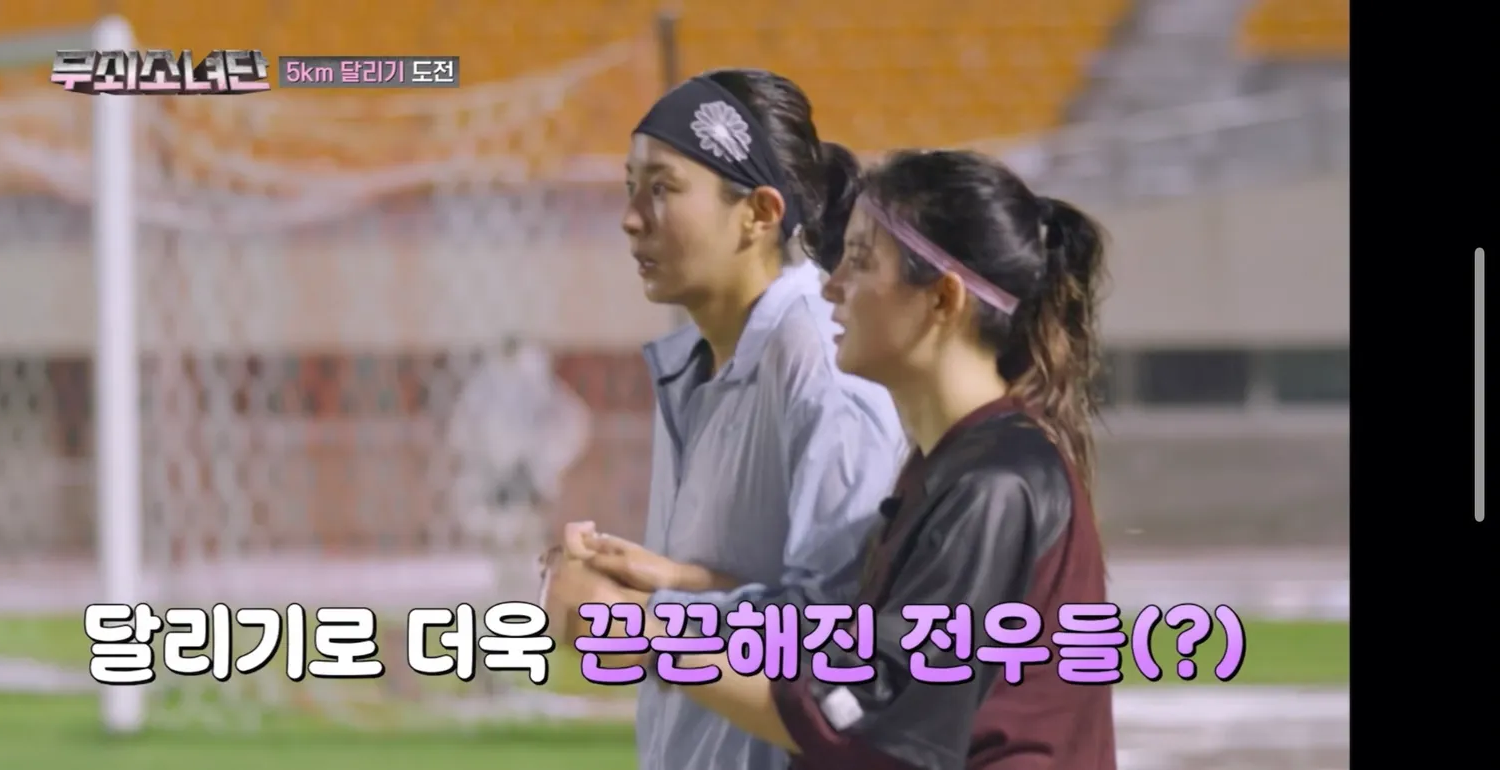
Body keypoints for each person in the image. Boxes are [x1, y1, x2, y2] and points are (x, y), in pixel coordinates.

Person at [548, 149, 1117, 770]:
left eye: (862, 260)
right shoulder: (954, 464)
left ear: (943, 299)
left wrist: (646, 635)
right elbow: (843, 643)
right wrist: (673, 584)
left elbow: (868, 721)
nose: (831, 285)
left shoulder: (995, 484)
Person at [546, 69, 907, 770]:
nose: (630, 217)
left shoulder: (822, 365)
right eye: (629, 186)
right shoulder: (697, 360)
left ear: (759, 212)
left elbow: (841, 635)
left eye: (662, 188)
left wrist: (634, 619)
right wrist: (656, 581)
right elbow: (762, 592)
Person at [446, 335, 591, 575]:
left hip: (527, 476)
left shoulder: (538, 382)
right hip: (496, 477)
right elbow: (462, 430)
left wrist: (542, 465)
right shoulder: (486, 383)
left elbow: (572, 425)